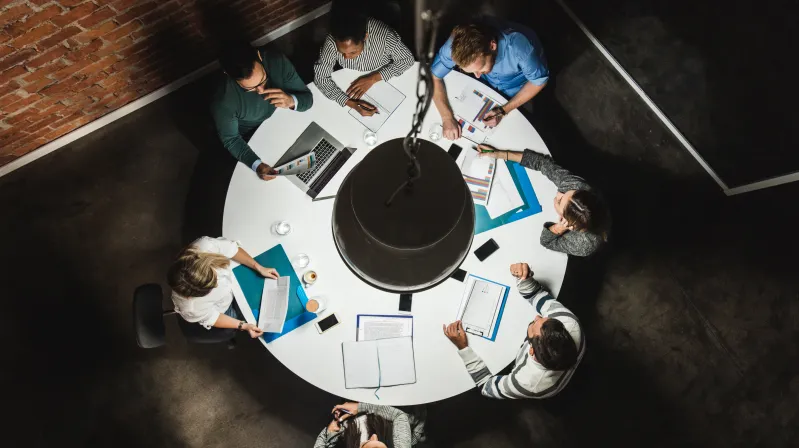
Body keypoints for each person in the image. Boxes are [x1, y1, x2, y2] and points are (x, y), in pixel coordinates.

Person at [443, 262, 584, 399]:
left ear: (531, 351)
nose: (537, 316)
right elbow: (536, 294)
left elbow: (486, 386)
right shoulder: (568, 322)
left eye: (534, 324)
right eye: (544, 319)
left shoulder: (527, 383)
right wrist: (523, 277)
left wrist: (463, 348)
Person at [478, 144, 608, 257]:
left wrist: (559, 228)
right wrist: (500, 154)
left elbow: (547, 242)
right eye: (567, 193)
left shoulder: (585, 245)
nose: (559, 193)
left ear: (567, 222)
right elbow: (543, 163)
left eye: (560, 200)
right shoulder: (576, 187)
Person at [431, 19, 549, 140]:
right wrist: (446, 117)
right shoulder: (456, 43)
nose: (477, 76)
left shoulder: (519, 48)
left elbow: (538, 81)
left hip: (519, 87)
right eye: (471, 71)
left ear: (492, 45)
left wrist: (503, 110)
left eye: (480, 68)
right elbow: (433, 77)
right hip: (489, 86)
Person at [211, 41, 313, 181]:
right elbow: (231, 139)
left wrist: (291, 101)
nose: (261, 91)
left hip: (282, 120)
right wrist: (257, 165)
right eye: (250, 89)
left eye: (263, 79)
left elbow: (307, 100)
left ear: (259, 55)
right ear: (227, 74)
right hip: (251, 135)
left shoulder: (276, 60)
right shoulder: (223, 100)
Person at [168, 236, 278, 340]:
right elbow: (213, 317)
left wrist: (258, 267)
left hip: (235, 279)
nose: (217, 284)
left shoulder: (204, 246)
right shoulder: (191, 307)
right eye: (211, 288)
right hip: (224, 307)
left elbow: (232, 249)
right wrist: (244, 326)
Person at [314, 10, 414, 117]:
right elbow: (321, 78)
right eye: (341, 52)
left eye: (353, 52)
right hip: (347, 75)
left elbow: (407, 59)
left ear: (365, 37)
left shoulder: (385, 36)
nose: (346, 58)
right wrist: (351, 103)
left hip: (383, 72)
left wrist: (373, 78)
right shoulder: (331, 41)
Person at [315, 401, 426, 448]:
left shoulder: (345, 435)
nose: (374, 436)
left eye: (366, 443)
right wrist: (360, 407)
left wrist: (331, 431)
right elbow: (400, 416)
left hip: (351, 403)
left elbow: (322, 443)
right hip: (394, 402)